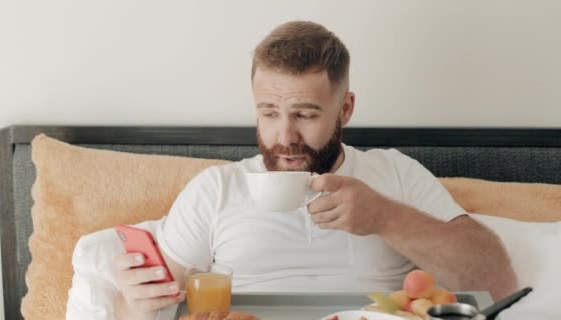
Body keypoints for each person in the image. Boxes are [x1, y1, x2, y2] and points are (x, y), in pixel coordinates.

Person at [67, 21, 517, 320]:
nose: (285, 136)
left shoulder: (394, 173)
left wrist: (385, 217)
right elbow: (146, 307)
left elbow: (495, 281)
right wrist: (135, 303)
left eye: (304, 114)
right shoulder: (216, 189)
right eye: (268, 112)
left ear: (345, 109)